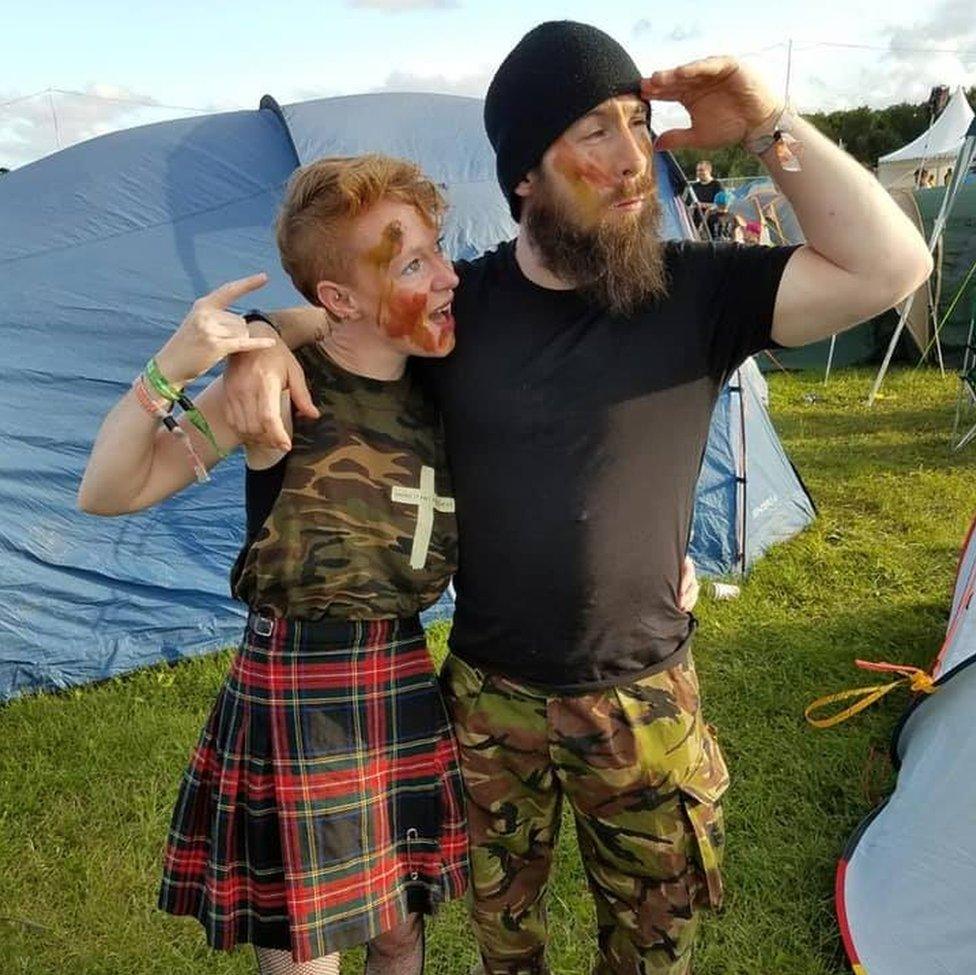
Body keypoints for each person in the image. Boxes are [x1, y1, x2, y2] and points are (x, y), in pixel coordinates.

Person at [224, 21, 932, 975]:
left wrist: (768, 123)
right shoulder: (457, 309)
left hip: (644, 702)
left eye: (638, 123)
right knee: (500, 943)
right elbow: (348, 307)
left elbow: (893, 270)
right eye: (594, 130)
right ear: (524, 174)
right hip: (487, 703)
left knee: (652, 948)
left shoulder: (694, 293)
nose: (633, 155)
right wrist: (268, 330)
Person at [78, 155, 472, 975]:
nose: (446, 276)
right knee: (306, 944)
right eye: (411, 263)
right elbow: (108, 489)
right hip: (295, 686)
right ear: (338, 298)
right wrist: (175, 366)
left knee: (399, 928)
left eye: (438, 249)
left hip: (399, 672)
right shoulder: (274, 391)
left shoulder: (453, 385)